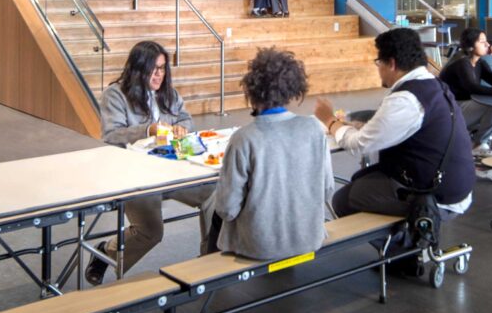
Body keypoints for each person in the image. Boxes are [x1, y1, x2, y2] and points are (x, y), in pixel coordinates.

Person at [315, 28, 475, 243]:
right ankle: (406, 238)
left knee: (345, 199)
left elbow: (358, 144)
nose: (378, 68)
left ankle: (402, 248)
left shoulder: (406, 100)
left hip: (436, 193)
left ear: (391, 63)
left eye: (378, 62)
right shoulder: (433, 85)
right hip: (453, 182)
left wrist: (330, 120)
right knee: (365, 181)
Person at [86, 41, 214, 285]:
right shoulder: (115, 95)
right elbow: (111, 136)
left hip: (171, 171)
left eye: (163, 68)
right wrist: (147, 130)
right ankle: (106, 252)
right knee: (151, 232)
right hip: (135, 177)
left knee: (214, 193)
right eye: (153, 69)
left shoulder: (170, 94)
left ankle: (209, 261)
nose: (159, 75)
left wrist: (181, 128)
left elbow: (187, 122)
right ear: (138, 69)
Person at [206, 48, 333, 261]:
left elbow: (227, 209)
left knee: (217, 216)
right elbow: (327, 190)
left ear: (251, 90)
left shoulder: (244, 138)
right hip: (309, 237)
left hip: (260, 245)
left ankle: (205, 273)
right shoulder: (314, 129)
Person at [438, 28, 492, 182]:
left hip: (469, 109)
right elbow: (472, 87)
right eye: (482, 42)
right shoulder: (461, 61)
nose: (487, 44)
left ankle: (484, 167)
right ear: (470, 46)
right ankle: (479, 144)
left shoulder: (479, 62)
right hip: (452, 111)